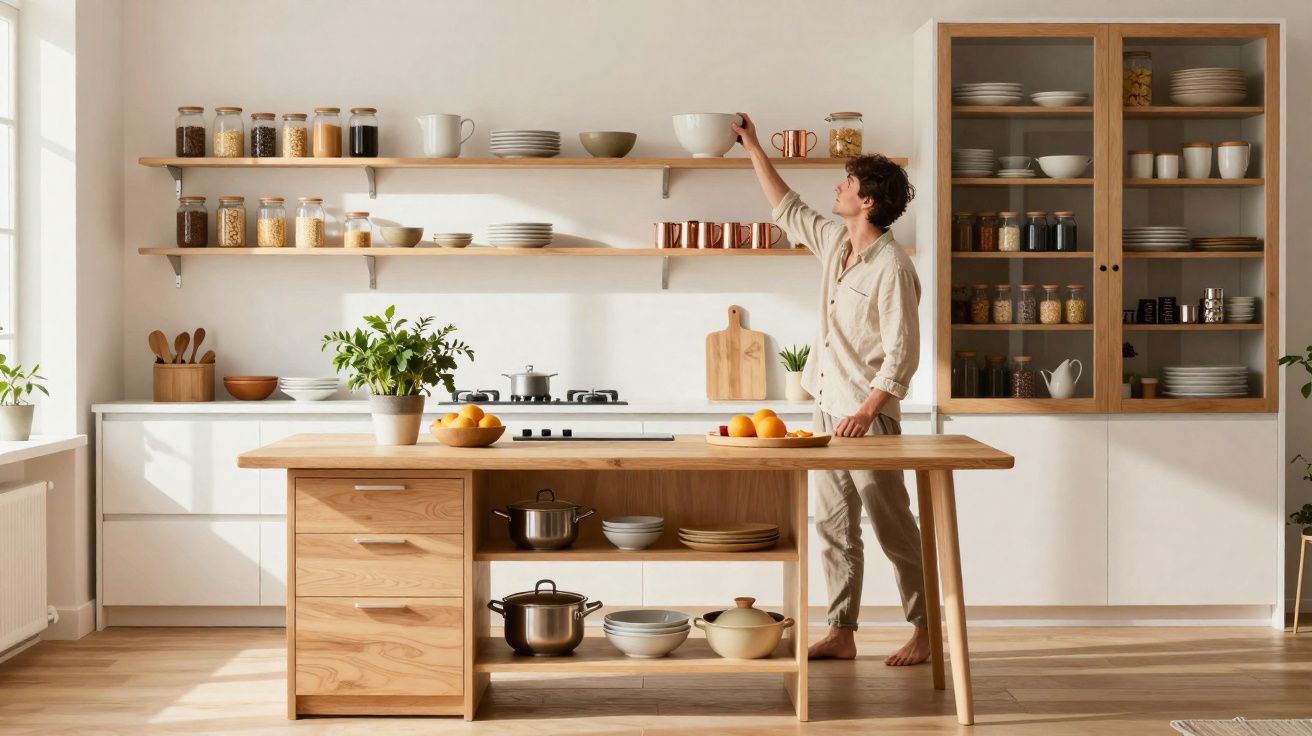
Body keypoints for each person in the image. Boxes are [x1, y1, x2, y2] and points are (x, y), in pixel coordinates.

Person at [732, 113, 928, 666]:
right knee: (835, 530)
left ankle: (926, 628)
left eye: (847, 183)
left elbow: (903, 353)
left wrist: (867, 412)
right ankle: (841, 631)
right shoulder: (835, 244)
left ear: (868, 202)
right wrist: (753, 147)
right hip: (825, 414)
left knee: (894, 530)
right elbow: (787, 205)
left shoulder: (891, 266)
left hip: (867, 420)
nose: (837, 188)